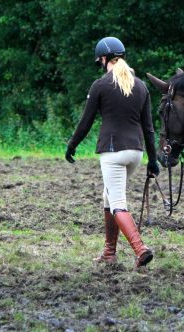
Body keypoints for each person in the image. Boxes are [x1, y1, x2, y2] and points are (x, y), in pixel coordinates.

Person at [65, 36, 160, 269]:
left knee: (117, 202)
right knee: (109, 197)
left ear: (105, 59)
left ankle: (140, 249)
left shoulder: (100, 85)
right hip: (135, 153)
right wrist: (153, 160)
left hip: (112, 152)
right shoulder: (141, 86)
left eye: (100, 61)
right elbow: (149, 128)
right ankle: (109, 253)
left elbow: (85, 122)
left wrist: (72, 145)